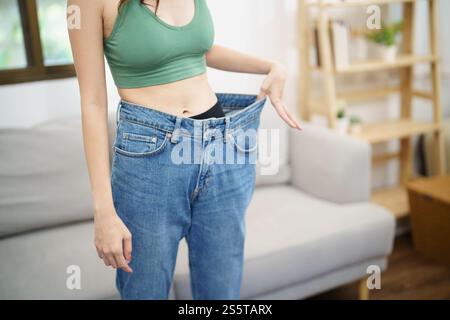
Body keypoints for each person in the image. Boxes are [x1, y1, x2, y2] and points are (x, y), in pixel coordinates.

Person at [68, 0, 302, 300]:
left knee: (222, 292)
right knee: (144, 292)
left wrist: (271, 66)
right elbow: (92, 102)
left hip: (223, 145)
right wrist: (103, 213)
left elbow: (198, 50)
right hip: (151, 160)